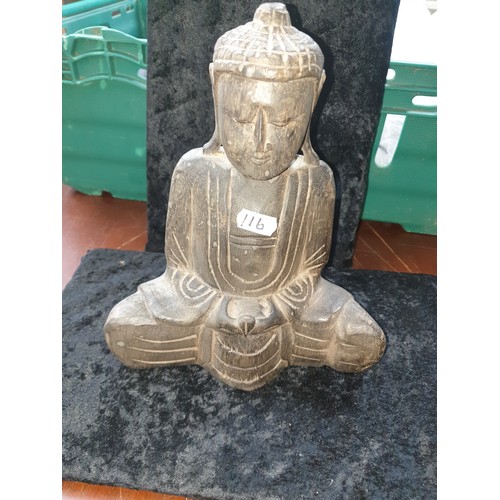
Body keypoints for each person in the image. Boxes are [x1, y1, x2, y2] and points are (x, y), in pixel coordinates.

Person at [104, 3, 385, 390]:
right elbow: (179, 270)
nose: (260, 142)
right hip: (204, 305)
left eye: (284, 121)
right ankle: (218, 338)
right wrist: (220, 309)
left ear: (313, 101)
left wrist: (274, 309)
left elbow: (309, 274)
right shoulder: (195, 172)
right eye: (239, 118)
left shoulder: (314, 181)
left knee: (360, 339)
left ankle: (277, 339)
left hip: (284, 309)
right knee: (125, 328)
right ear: (216, 93)